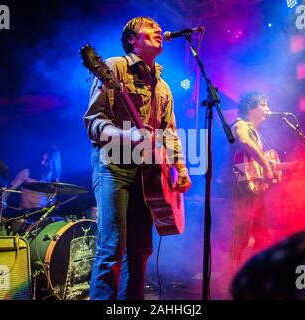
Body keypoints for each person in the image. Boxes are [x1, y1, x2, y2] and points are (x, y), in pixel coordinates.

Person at [83, 16, 191, 300]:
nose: (158, 29)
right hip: (113, 167)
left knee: (141, 251)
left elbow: (169, 133)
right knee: (112, 249)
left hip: (148, 174)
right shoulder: (114, 67)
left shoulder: (164, 87)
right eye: (149, 26)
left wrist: (180, 167)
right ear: (132, 39)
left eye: (159, 26)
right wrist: (126, 136)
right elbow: (93, 122)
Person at [229, 92, 274, 276]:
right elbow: (243, 141)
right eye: (263, 105)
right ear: (250, 108)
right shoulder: (240, 124)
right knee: (242, 236)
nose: (268, 110)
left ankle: (256, 277)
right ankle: (233, 280)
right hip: (242, 189)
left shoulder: (257, 133)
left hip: (255, 190)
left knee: (261, 235)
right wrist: (265, 165)